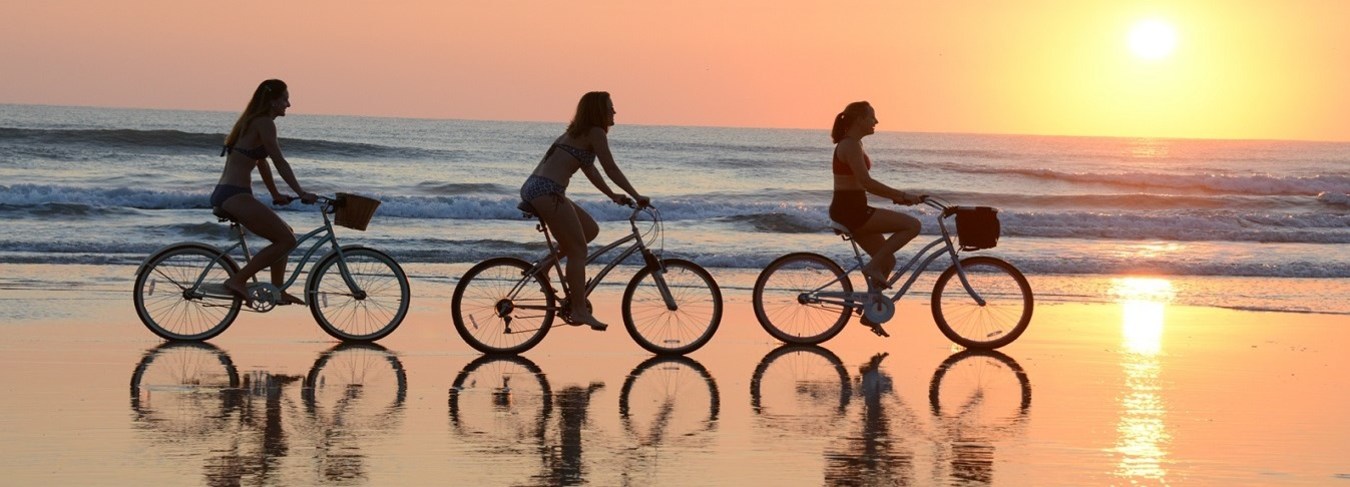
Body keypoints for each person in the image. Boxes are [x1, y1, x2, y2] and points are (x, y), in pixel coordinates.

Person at [520, 91, 649, 331]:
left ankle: (545, 267)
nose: (614, 112)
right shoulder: (595, 133)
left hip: (540, 189)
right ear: (598, 111)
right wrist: (636, 194)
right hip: (547, 192)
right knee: (578, 250)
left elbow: (591, 170)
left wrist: (612, 195)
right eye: (611, 107)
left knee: (589, 230)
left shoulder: (579, 133)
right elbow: (610, 167)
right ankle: (579, 310)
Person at [213, 79, 317, 304]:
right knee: (287, 240)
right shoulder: (264, 123)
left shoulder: (251, 121)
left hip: (229, 192)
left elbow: (262, 162)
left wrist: (276, 194)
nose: (288, 104)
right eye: (285, 99)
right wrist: (301, 192)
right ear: (272, 102)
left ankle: (277, 289)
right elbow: (279, 160)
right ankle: (237, 280)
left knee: (285, 233)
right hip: (234, 195)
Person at [830, 101, 924, 292]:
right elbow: (867, 182)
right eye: (872, 117)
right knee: (913, 225)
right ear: (859, 119)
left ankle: (872, 310)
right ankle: (872, 267)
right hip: (852, 212)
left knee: (887, 261)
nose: (876, 121)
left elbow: (860, 184)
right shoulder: (850, 145)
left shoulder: (855, 144)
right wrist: (902, 195)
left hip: (851, 209)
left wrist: (896, 197)